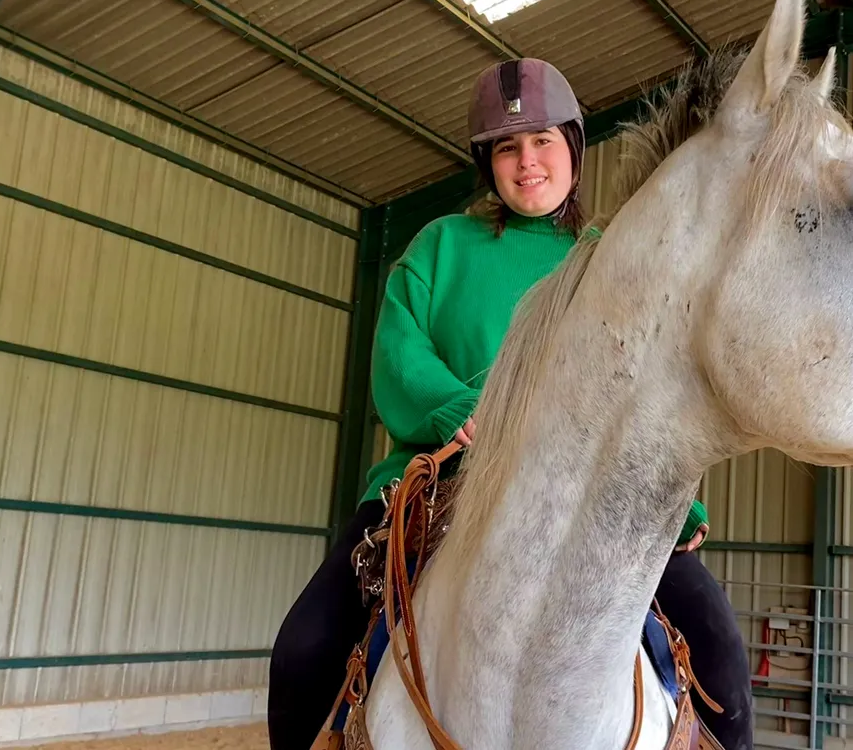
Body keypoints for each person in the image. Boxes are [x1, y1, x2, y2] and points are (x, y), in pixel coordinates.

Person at [267, 57, 753, 750]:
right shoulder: (439, 247)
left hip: (589, 500)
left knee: (720, 651)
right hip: (436, 482)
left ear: (574, 151)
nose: (528, 162)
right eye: (507, 148)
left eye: (544, 141)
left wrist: (677, 503)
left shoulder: (605, 259)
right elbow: (398, 355)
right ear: (486, 163)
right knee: (303, 648)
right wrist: (453, 410)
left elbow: (647, 385)